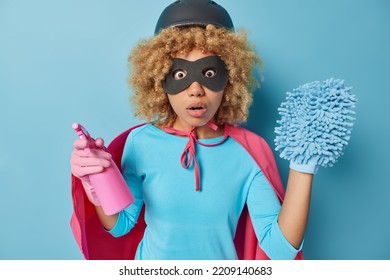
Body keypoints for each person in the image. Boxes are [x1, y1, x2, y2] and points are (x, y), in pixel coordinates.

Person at [70, 0, 316, 260]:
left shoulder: (249, 152)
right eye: (179, 75)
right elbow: (120, 225)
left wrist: (304, 165)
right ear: (158, 80)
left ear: (231, 78)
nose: (196, 89)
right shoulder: (140, 143)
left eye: (209, 72)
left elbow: (279, 251)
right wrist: (98, 183)